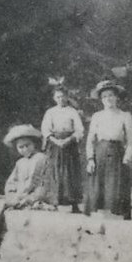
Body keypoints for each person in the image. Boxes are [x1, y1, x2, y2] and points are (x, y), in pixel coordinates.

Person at [84, 79, 132, 219]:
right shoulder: (97, 116)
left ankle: (116, 220)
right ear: (101, 99)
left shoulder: (125, 116)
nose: (108, 99)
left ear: (116, 97)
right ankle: (100, 221)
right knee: (98, 190)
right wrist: (90, 159)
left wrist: (127, 157)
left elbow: (131, 141)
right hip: (100, 154)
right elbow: (90, 140)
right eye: (105, 96)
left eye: (111, 95)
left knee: (115, 190)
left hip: (117, 155)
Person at [39, 78, 85, 211]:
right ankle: (56, 202)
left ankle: (74, 204)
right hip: (55, 144)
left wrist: (68, 140)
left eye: (63, 97)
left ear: (67, 97)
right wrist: (56, 141)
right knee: (55, 172)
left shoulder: (72, 111)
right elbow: (45, 130)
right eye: (58, 97)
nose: (61, 99)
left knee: (70, 172)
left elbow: (79, 129)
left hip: (69, 144)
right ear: (54, 98)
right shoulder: (51, 112)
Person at [0, 124, 53, 209]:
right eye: (21, 147)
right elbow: (11, 182)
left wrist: (31, 198)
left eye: (27, 145)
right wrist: (13, 195)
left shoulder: (41, 158)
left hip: (36, 197)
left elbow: (44, 182)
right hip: (19, 196)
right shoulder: (20, 162)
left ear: (34, 144)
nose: (25, 149)